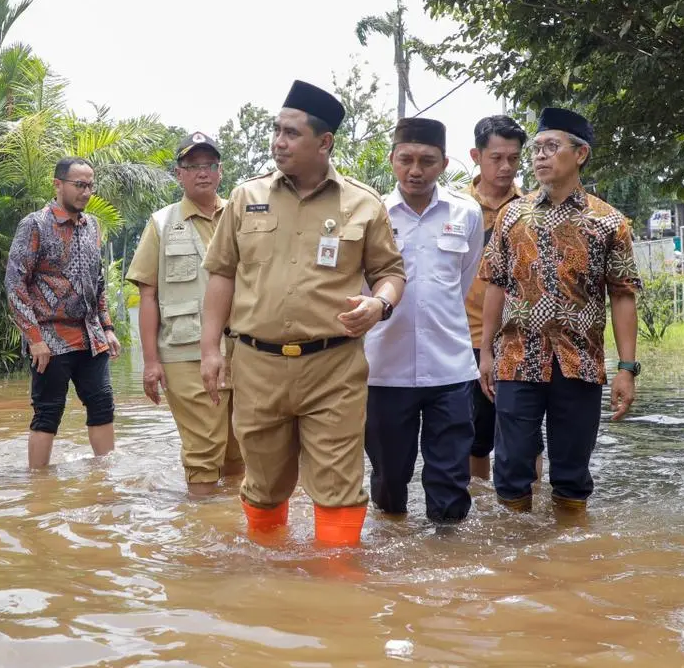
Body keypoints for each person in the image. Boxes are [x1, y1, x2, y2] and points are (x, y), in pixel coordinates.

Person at [200, 81, 407, 546]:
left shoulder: (362, 203)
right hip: (257, 367)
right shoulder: (245, 197)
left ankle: (338, 592)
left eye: (291, 133)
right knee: (264, 485)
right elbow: (221, 275)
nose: (278, 141)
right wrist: (209, 349)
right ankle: (270, 585)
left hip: (333, 368)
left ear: (324, 142)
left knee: (338, 487)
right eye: (276, 131)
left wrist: (380, 304)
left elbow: (391, 273)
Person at [478, 107, 642, 519]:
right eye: (537, 148)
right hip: (517, 359)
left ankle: (571, 551)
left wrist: (626, 367)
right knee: (512, 466)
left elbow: (622, 295)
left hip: (580, 362)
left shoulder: (609, 223)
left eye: (552, 147)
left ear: (580, 154)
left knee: (572, 471)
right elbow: (495, 283)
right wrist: (485, 351)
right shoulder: (511, 216)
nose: (539, 157)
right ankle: (517, 551)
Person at [363, 119, 483, 524]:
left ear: (444, 163)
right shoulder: (372, 214)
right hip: (384, 370)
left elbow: (464, 278)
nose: (416, 170)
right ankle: (393, 555)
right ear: (393, 160)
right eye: (406, 160)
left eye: (427, 161)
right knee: (388, 479)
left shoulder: (466, 213)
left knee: (451, 479)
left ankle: (448, 562)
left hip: (449, 370)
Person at [127, 131, 243, 496]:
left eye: (208, 165)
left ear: (220, 171)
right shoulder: (162, 223)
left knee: (241, 447)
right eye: (191, 166)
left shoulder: (242, 216)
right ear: (179, 174)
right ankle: (202, 537)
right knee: (203, 450)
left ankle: (232, 532)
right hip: (185, 352)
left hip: (244, 349)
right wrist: (150, 362)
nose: (201, 173)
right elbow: (149, 295)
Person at [6, 157, 121, 470]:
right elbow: (15, 284)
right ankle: (38, 487)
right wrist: (33, 338)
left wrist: (108, 327)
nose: (86, 192)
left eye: (90, 186)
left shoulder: (92, 226)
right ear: (58, 185)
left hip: (91, 336)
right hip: (50, 338)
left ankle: (104, 479)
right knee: (48, 412)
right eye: (79, 185)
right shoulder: (36, 224)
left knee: (102, 405)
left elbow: (98, 282)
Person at [463, 115, 531, 481]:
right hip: (469, 338)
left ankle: (529, 518)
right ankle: (480, 509)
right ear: (476, 155)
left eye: (514, 158)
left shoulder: (532, 209)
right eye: (497, 158)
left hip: (522, 339)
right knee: (474, 437)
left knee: (527, 436)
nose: (506, 167)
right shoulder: (456, 209)